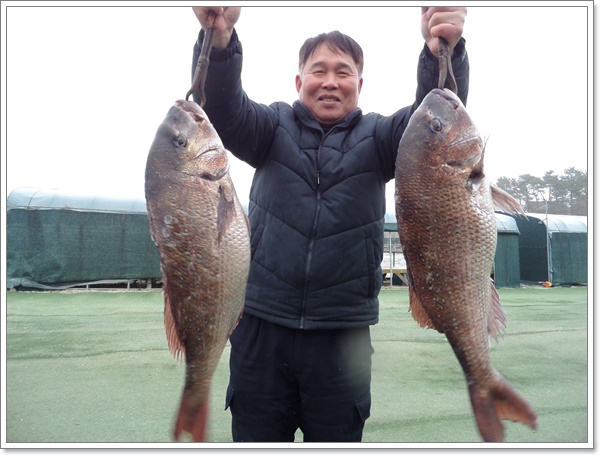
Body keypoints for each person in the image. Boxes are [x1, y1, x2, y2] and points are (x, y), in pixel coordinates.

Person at [190, 6, 468, 442]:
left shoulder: (381, 138)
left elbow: (435, 120)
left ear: (360, 83)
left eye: (343, 72)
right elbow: (222, 109)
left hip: (343, 334)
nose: (331, 82)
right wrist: (220, 40)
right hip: (261, 328)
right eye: (318, 71)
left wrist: (441, 51)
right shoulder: (270, 128)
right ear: (299, 81)